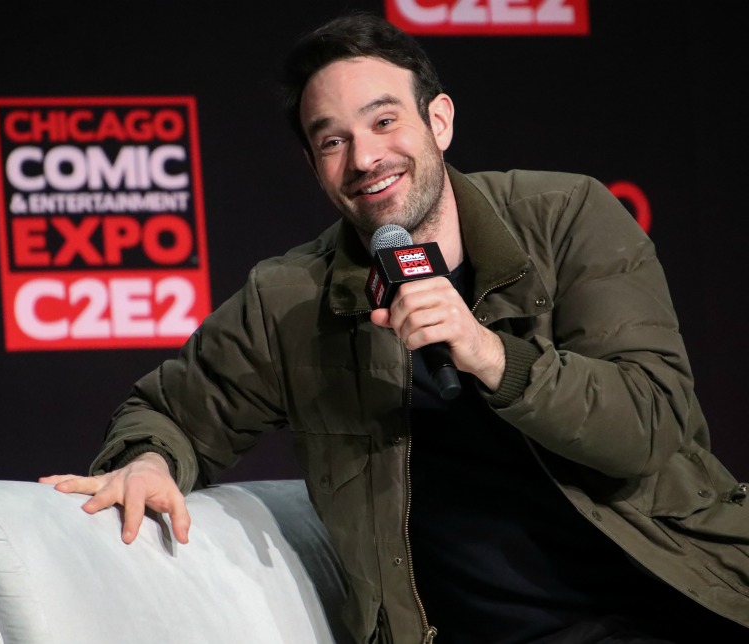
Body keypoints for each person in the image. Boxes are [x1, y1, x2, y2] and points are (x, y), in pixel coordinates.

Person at [40, 11, 749, 644]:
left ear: (438, 122)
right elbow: (169, 413)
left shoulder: (568, 216)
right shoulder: (292, 299)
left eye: (384, 123)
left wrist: (490, 354)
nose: (365, 159)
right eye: (333, 141)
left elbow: (650, 425)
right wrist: (149, 462)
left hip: (684, 599)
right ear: (316, 167)